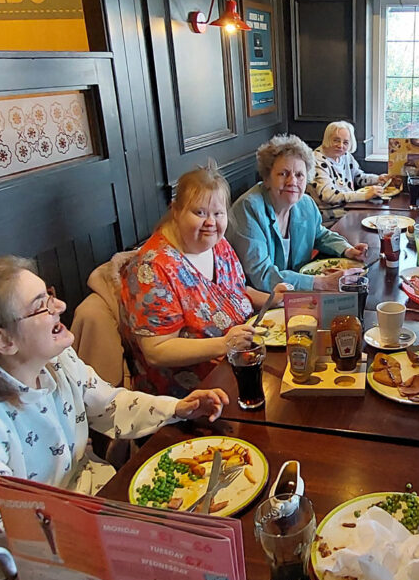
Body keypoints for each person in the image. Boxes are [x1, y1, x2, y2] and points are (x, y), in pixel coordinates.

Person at [0, 256, 230, 529]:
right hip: (54, 536)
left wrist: (177, 408)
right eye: (41, 306)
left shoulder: (58, 361)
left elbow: (109, 405)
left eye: (50, 295)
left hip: (102, 495)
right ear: (4, 340)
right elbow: (10, 527)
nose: (60, 306)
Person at [120, 161, 290, 397]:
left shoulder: (218, 244)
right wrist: (224, 344)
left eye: (218, 214)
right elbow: (156, 351)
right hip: (194, 394)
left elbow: (237, 292)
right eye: (200, 213)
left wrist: (273, 299)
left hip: (242, 363)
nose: (211, 222)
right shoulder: (151, 268)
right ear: (176, 211)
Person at [228, 134, 368, 292]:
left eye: (299, 175)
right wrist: (321, 283)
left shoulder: (305, 204)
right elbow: (261, 275)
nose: (292, 181)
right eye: (283, 174)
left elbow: (319, 235)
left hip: (295, 293)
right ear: (267, 178)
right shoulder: (248, 209)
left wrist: (347, 250)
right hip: (258, 297)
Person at [308, 121, 390, 223]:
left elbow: (358, 177)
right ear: (327, 139)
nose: (341, 145)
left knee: (383, 219)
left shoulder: (345, 155)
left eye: (345, 142)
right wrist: (364, 195)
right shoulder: (316, 161)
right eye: (336, 140)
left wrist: (378, 179)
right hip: (329, 218)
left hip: (349, 209)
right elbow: (328, 195)